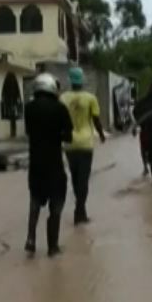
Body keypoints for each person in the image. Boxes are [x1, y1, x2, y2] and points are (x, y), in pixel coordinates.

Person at [24, 73, 74, 257]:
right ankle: (52, 247)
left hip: (36, 164)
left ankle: (30, 238)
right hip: (54, 165)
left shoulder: (29, 108)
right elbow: (68, 137)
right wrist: (56, 136)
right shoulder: (60, 109)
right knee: (56, 204)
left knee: (35, 200)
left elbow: (29, 132)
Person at [60, 67, 106, 224]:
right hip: (86, 143)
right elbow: (96, 120)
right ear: (82, 80)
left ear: (70, 80)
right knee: (84, 180)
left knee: (75, 178)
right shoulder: (90, 98)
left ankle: (81, 209)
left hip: (69, 143)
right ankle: (79, 212)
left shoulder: (63, 98)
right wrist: (101, 135)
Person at [132, 83, 152, 183]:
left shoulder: (143, 102)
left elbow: (135, 111)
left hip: (146, 129)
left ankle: (147, 168)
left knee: (145, 149)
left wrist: (138, 123)